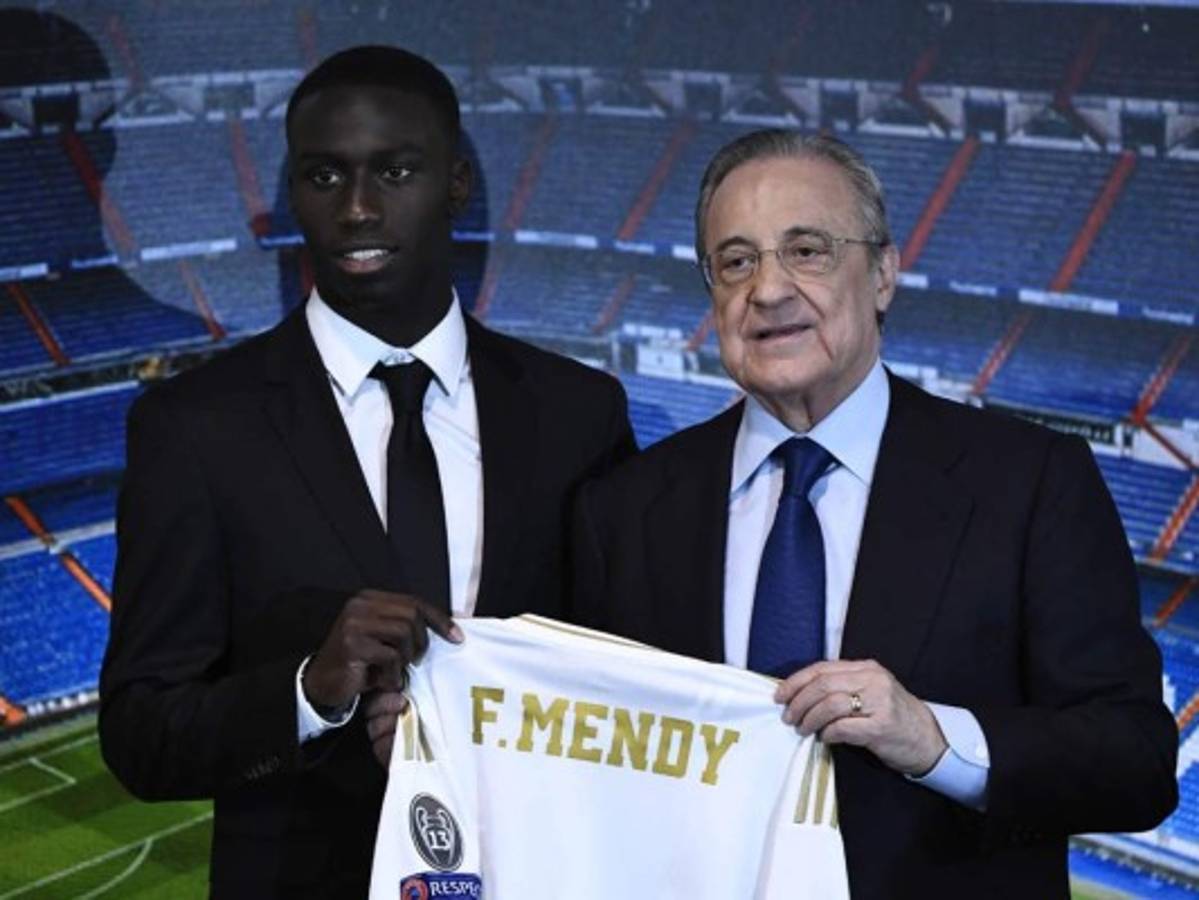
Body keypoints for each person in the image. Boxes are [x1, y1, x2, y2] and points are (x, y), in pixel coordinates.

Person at [571, 129, 1177, 898]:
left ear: (884, 272)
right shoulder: (623, 509)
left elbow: (1136, 761)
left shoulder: (1028, 482)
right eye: (735, 261)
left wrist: (933, 739)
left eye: (807, 250)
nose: (767, 289)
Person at [99, 45, 634, 897]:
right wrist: (311, 691)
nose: (355, 208)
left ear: (455, 183)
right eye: (323, 177)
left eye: (394, 170)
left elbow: (628, 683)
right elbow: (140, 735)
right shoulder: (195, 428)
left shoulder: (579, 415)